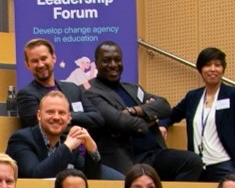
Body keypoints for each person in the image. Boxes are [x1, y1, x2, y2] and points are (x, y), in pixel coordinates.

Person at [80, 41, 202, 180]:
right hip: (126, 158)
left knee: (192, 162)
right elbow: (120, 122)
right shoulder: (90, 92)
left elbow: (164, 106)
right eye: (107, 60)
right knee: (137, 182)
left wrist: (134, 111)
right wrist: (149, 118)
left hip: (155, 153)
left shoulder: (133, 88)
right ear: (96, 63)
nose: (113, 65)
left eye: (117, 60)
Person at [168, 47, 235, 181]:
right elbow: (172, 115)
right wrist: (162, 125)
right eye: (207, 65)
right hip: (197, 166)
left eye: (217, 65)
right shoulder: (193, 97)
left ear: (223, 69)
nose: (213, 69)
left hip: (225, 164)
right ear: (200, 69)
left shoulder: (234, 95)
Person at [6, 90, 106, 179]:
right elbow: (34, 176)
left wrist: (92, 149)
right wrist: (67, 147)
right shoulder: (21, 139)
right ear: (39, 115)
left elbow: (91, 180)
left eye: (62, 113)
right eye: (50, 112)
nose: (56, 117)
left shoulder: (69, 147)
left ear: (69, 118)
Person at [13, 38, 102, 132]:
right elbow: (44, 130)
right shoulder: (26, 96)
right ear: (27, 65)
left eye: (44, 58)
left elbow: (97, 119)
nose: (40, 65)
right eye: (34, 61)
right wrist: (80, 128)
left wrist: (69, 116)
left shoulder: (72, 88)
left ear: (54, 58)